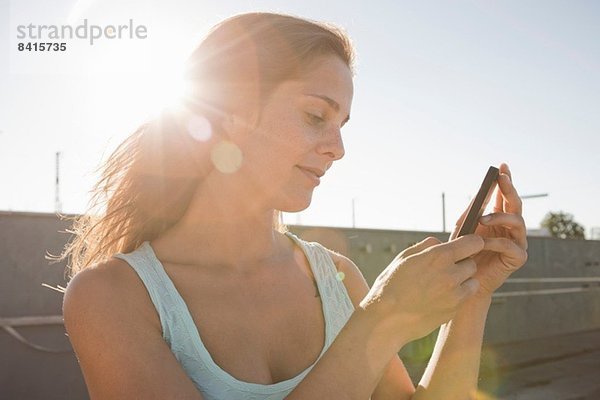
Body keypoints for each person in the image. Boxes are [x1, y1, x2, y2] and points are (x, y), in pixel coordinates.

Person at [60, 11, 528, 400]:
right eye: (315, 116)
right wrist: (379, 321)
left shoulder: (337, 278)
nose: (338, 148)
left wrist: (474, 294)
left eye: (342, 123)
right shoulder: (112, 296)